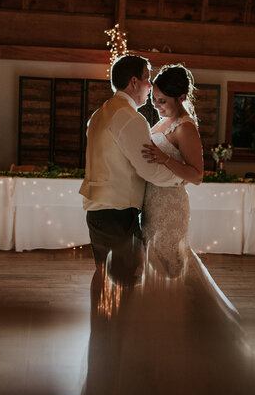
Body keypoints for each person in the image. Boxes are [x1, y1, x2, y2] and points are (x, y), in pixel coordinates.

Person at [79, 55, 182, 294]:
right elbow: (148, 170)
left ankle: (106, 331)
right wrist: (181, 177)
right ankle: (121, 331)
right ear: (134, 82)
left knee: (107, 284)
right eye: (147, 79)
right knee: (128, 285)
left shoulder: (99, 114)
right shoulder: (130, 117)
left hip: (97, 212)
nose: (150, 86)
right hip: (118, 214)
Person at [139, 64, 205, 276]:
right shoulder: (163, 122)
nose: (156, 105)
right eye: (154, 98)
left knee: (170, 267)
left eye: (162, 100)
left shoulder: (185, 127)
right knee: (152, 261)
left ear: (181, 97)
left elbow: (196, 175)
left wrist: (165, 158)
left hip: (171, 206)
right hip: (152, 204)